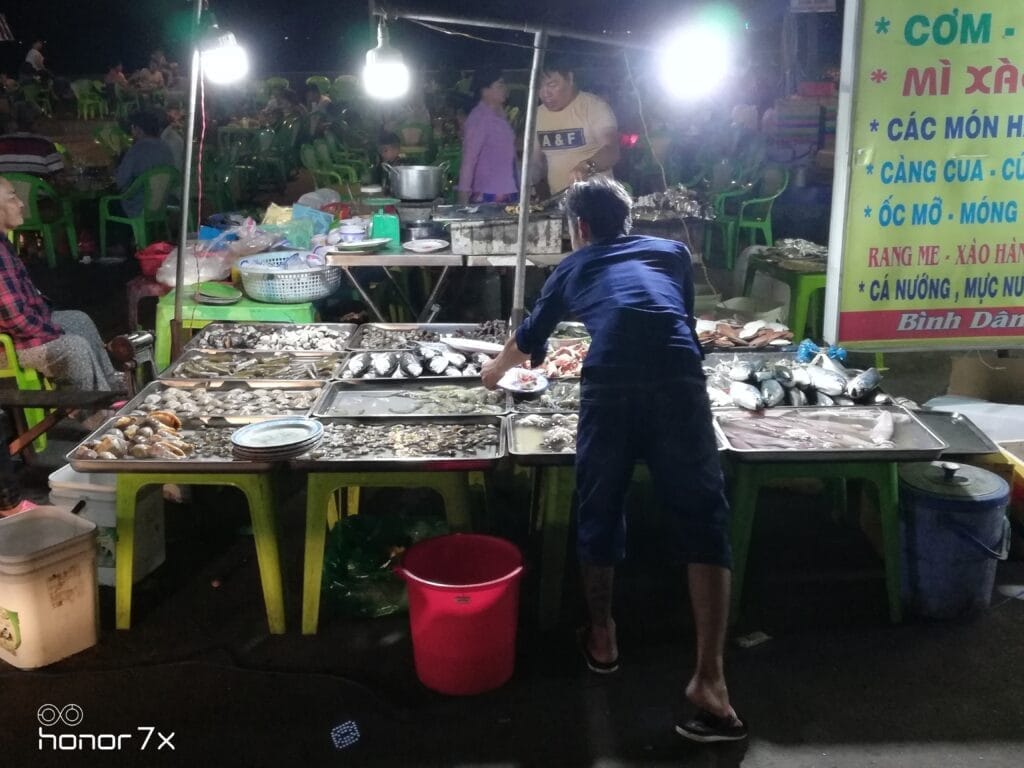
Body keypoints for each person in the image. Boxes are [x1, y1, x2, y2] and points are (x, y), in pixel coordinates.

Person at [481, 177, 747, 744]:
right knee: (705, 517)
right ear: (627, 221)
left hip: (611, 386)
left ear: (578, 228)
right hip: (680, 382)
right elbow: (675, 320)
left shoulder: (572, 268)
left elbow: (527, 344)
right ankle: (711, 679)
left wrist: (491, 374)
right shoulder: (672, 252)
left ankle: (602, 637)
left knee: (599, 505)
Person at [0, 177, 119, 395]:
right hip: (7, 345)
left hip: (20, 329)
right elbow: (15, 318)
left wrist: (51, 323)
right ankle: (96, 414)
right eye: (12, 197)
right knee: (74, 347)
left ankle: (111, 388)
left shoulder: (4, 243)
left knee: (79, 320)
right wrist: (53, 330)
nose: (21, 203)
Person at [531, 60, 619, 198]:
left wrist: (586, 166)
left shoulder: (594, 107)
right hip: (560, 202)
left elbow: (611, 150)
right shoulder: (536, 115)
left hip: (599, 199)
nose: (545, 93)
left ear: (570, 79)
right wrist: (526, 179)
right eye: (538, 88)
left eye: (552, 85)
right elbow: (536, 162)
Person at [456, 67, 518, 204]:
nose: (504, 88)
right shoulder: (479, 118)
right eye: (499, 85)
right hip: (487, 195)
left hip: (507, 193)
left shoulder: (500, 116)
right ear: (485, 91)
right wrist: (463, 198)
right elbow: (469, 159)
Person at [115, 110, 175, 217]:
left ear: (138, 130)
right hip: (160, 206)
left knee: (98, 204)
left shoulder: (136, 150)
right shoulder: (165, 148)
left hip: (136, 208)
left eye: (132, 128)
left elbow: (120, 182)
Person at [0, 104, 64, 177]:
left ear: (13, 121)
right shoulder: (45, 144)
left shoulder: (2, 142)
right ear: (35, 122)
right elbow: (58, 173)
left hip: (4, 187)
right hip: (36, 188)